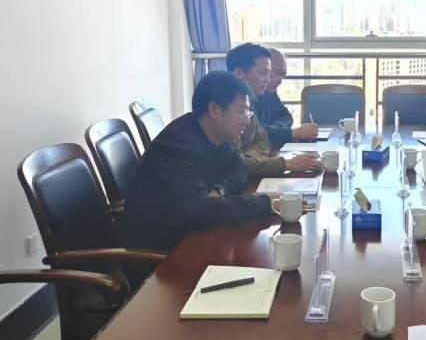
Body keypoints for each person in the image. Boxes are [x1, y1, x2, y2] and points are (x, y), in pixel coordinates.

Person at [125, 71, 273, 251]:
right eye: (241, 111)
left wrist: (219, 189)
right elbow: (202, 212)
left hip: (189, 235)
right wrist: (266, 202)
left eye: (247, 113)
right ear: (214, 110)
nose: (246, 122)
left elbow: (240, 168)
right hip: (160, 251)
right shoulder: (178, 146)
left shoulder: (219, 136)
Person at [227, 43, 322, 176]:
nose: (268, 80)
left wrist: (250, 158)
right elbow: (233, 164)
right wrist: (286, 163)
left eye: (269, 73)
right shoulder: (225, 104)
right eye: (263, 73)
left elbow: (262, 138)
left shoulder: (258, 95)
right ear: (239, 74)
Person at [255, 48, 318, 145]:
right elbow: (255, 132)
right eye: (278, 73)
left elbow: (286, 116)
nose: (280, 81)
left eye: (283, 76)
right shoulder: (245, 97)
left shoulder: (270, 93)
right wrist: (293, 133)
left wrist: (276, 129)